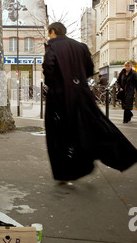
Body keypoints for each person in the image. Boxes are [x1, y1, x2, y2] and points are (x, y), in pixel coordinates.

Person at [42, 22, 137, 181]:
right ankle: (121, 155)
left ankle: (67, 171)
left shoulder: (52, 47)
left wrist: (55, 85)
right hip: (82, 95)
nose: (49, 36)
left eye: (49, 33)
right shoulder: (81, 47)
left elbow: (49, 68)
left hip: (60, 97)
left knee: (59, 132)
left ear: (53, 32)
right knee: (92, 125)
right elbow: (88, 68)